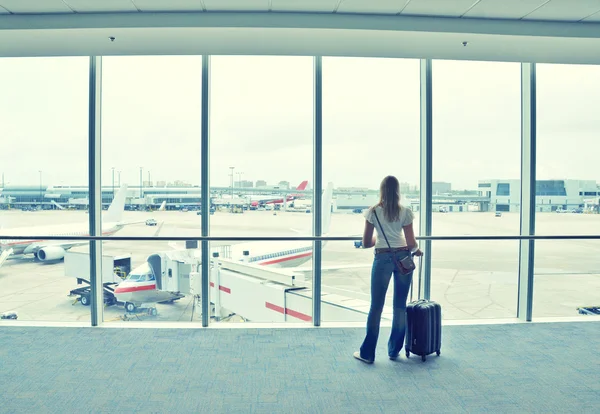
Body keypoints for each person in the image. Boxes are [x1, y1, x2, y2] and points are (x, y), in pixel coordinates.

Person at [353, 175, 422, 364]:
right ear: (398, 190)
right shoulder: (405, 212)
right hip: (403, 258)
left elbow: (367, 243)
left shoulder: (372, 212)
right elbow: (411, 243)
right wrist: (416, 250)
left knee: (376, 307)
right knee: (399, 307)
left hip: (382, 258)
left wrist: (380, 241)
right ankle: (393, 351)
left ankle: (367, 354)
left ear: (381, 190)